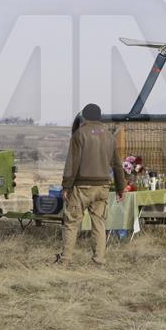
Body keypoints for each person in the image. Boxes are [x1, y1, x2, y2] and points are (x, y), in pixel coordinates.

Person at [57, 103, 126, 266]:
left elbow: (72, 164)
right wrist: (120, 188)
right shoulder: (109, 136)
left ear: (85, 117)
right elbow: (117, 164)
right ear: (99, 117)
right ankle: (99, 261)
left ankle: (65, 261)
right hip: (102, 188)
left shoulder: (79, 134)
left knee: (72, 223)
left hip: (82, 188)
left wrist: (66, 186)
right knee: (99, 225)